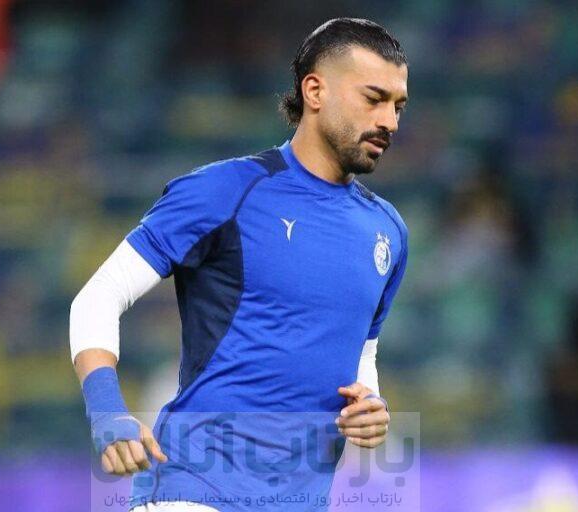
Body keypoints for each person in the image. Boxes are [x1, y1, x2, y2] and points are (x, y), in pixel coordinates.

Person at [70, 17, 409, 512]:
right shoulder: (226, 190)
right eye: (374, 98)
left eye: (398, 106)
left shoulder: (388, 231)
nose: (390, 121)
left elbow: (362, 351)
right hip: (195, 491)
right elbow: (99, 295)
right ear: (314, 91)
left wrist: (370, 406)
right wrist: (106, 411)